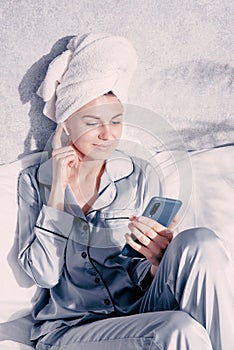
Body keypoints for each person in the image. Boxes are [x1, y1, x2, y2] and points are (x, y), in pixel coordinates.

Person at [17, 32, 234, 350]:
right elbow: (44, 275)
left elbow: (137, 270)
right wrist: (56, 193)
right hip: (72, 329)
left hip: (141, 313)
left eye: (116, 121)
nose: (107, 134)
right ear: (66, 125)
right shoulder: (35, 182)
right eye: (93, 122)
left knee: (199, 242)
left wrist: (156, 262)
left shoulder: (140, 174)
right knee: (179, 330)